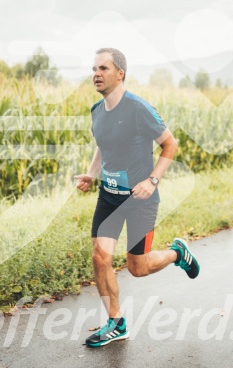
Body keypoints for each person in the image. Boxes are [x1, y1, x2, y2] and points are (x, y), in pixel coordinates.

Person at [74, 48, 200, 348]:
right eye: (94, 68)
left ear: (120, 73)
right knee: (99, 256)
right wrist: (92, 174)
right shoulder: (96, 111)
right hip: (109, 197)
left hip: (140, 200)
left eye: (104, 68)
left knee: (137, 267)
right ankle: (116, 323)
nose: (97, 73)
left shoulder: (138, 109)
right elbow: (103, 146)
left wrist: (153, 180)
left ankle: (176, 254)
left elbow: (170, 145)